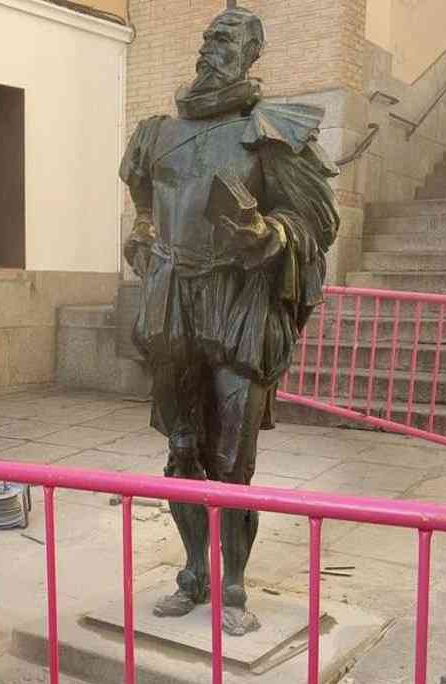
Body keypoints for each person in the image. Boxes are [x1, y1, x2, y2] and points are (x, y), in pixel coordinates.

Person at [119, 7, 339, 631]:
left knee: (231, 460)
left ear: (251, 54)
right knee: (181, 451)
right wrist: (141, 234)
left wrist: (267, 233)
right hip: (173, 301)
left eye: (228, 39)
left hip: (240, 304)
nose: (212, 45)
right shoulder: (156, 132)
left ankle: (234, 588)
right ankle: (193, 574)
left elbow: (318, 225)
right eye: (209, 36)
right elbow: (144, 201)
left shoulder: (268, 132)